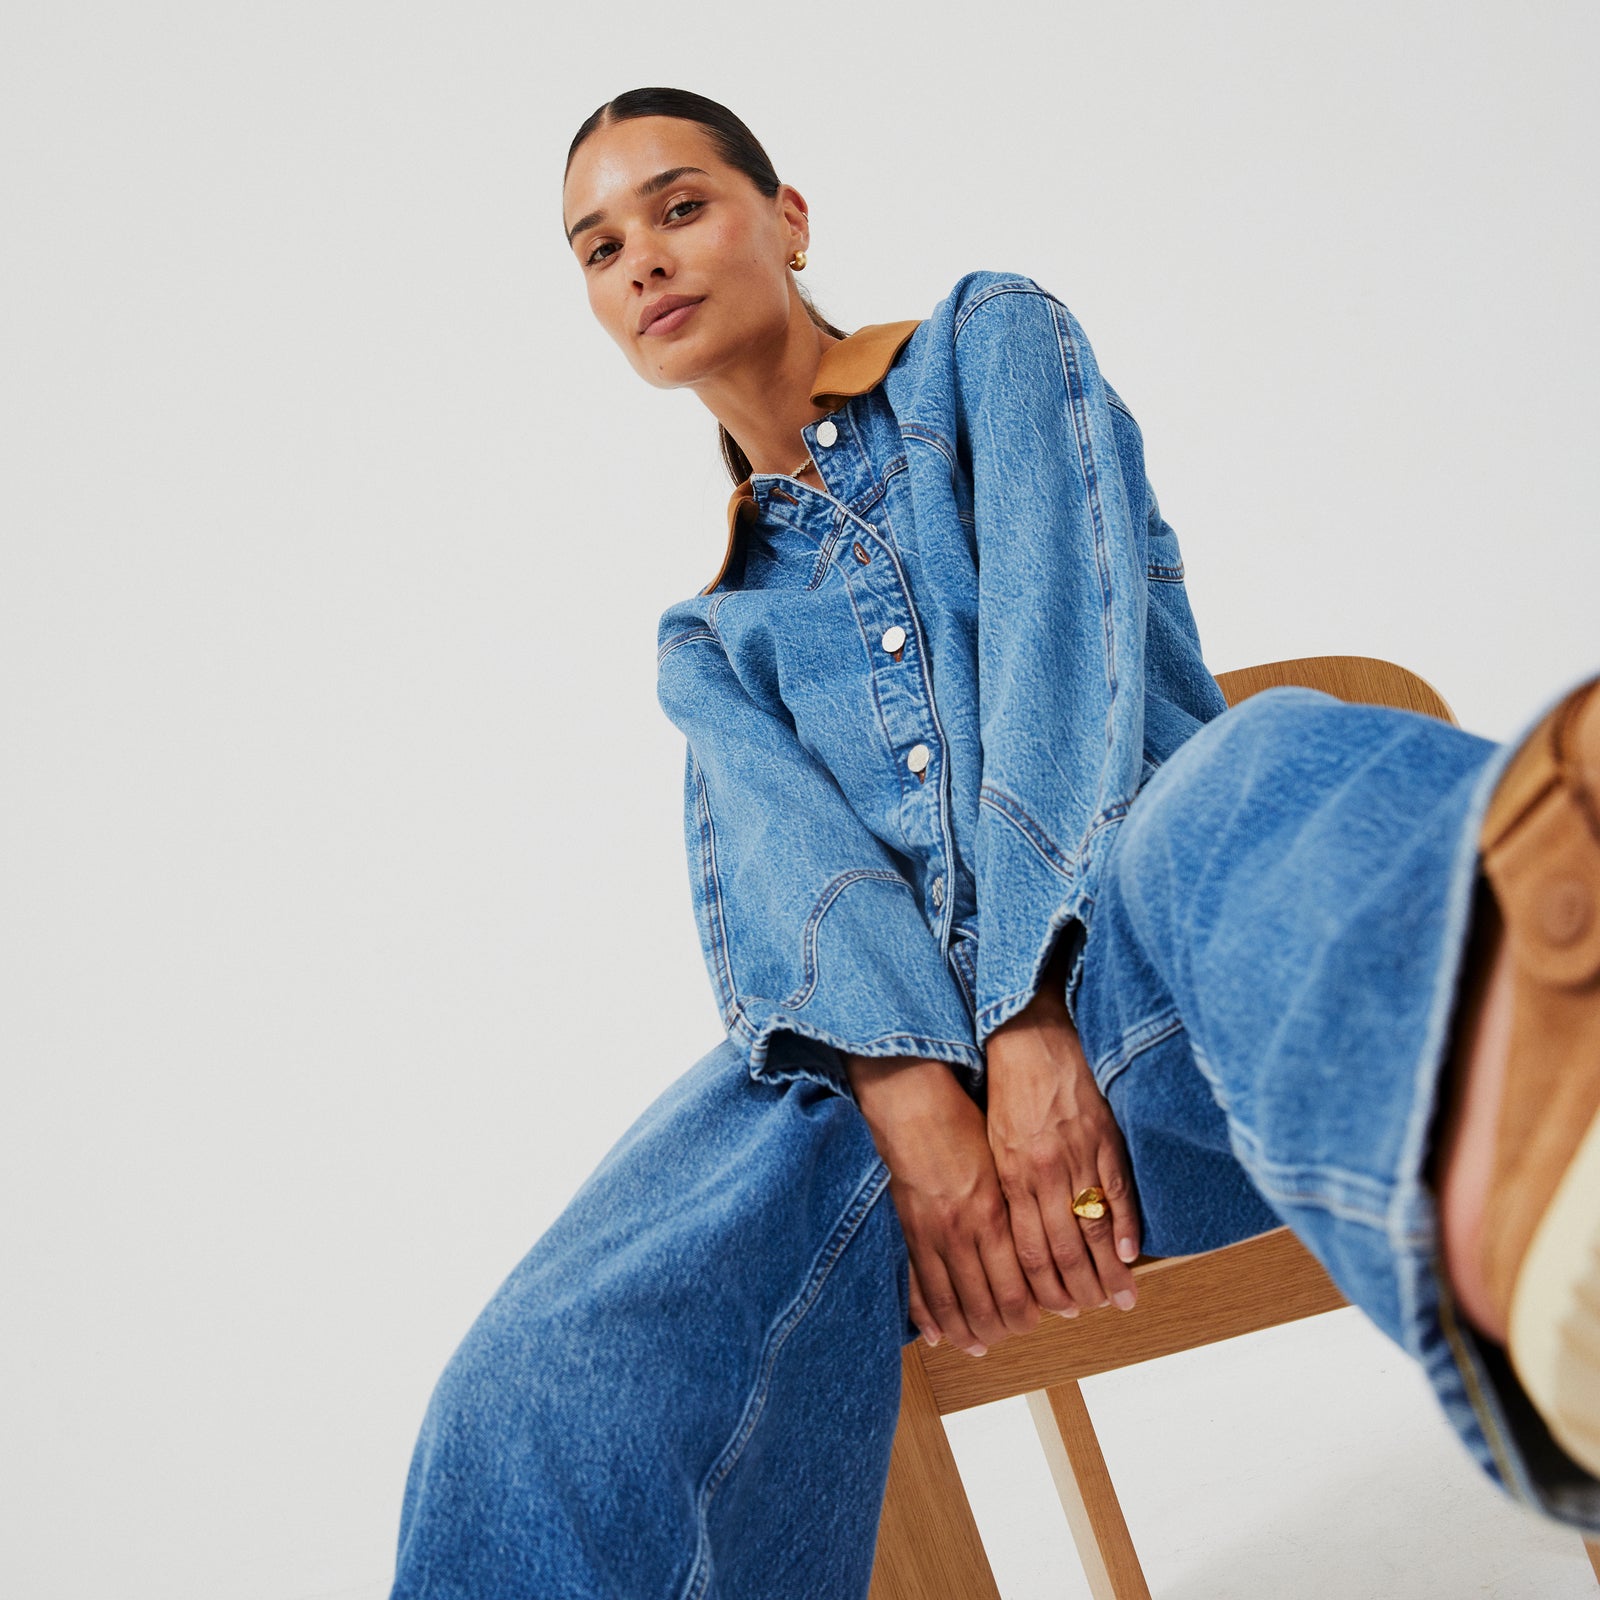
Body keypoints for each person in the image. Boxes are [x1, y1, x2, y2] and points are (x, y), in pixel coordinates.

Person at [386, 86, 1600, 1597]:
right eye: (598, 247)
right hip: (922, 1169)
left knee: (1246, 769)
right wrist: (916, 1103)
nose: (641, 257)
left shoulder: (987, 346)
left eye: (681, 205)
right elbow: (796, 893)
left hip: (1181, 1007)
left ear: (788, 219)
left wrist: (1028, 1015)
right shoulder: (709, 641)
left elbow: (1060, 660)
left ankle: (1565, 1193)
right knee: (549, 1361)